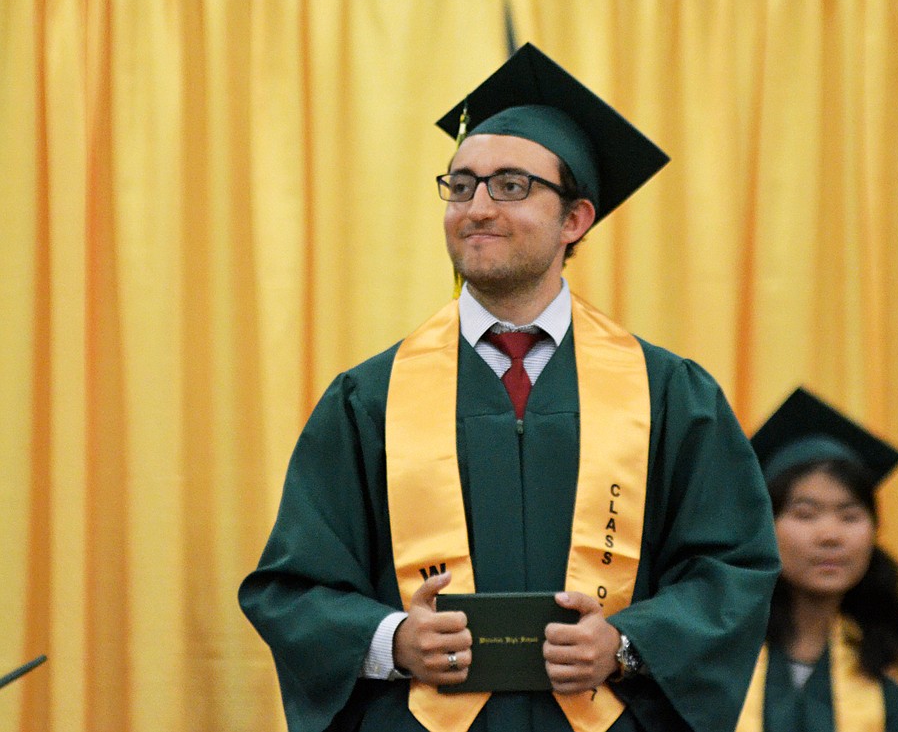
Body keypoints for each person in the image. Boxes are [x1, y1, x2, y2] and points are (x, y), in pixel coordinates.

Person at [239, 43, 781, 732]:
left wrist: (625, 643)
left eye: (511, 185)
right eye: (461, 185)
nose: (478, 206)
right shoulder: (368, 399)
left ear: (575, 219)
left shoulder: (670, 395)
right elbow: (294, 586)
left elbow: (732, 569)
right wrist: (392, 641)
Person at [736, 387, 898, 732]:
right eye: (806, 514)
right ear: (764, 527)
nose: (830, 535)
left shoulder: (886, 702)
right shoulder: (715, 672)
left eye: (850, 515)